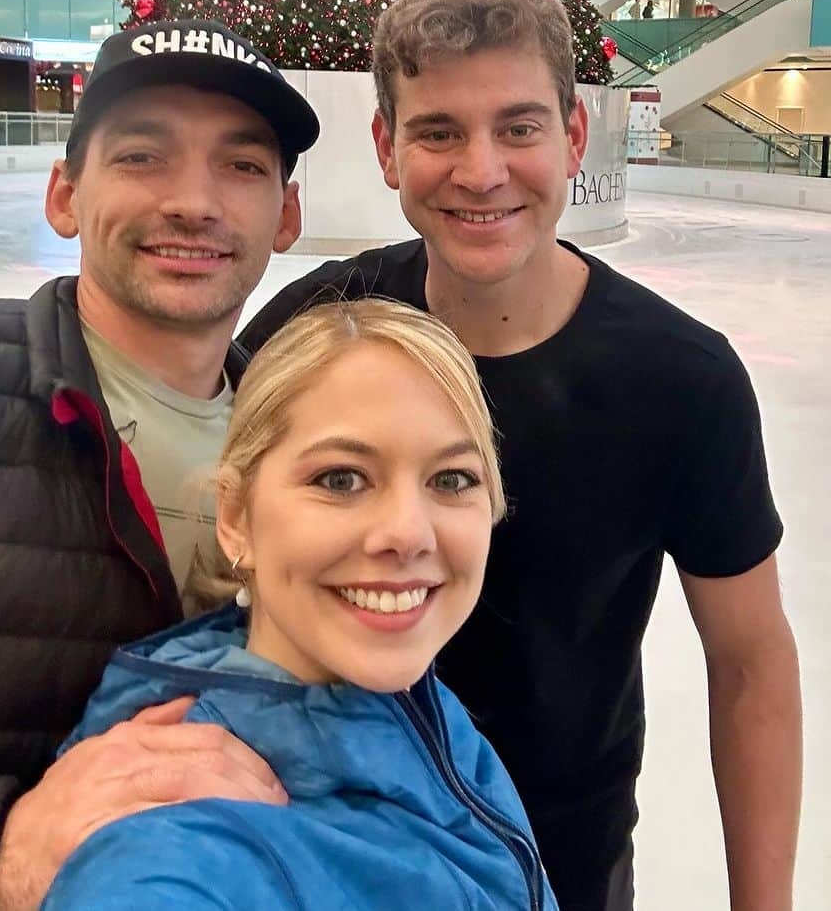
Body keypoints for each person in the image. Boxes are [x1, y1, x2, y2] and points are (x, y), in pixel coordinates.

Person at [241, 0, 803, 911]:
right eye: (438, 132)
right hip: (320, 851)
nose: (481, 169)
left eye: (519, 126)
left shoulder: (681, 381)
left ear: (574, 134)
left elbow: (748, 659)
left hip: (561, 866)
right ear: (385, 146)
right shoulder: (315, 330)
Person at [0, 19, 320, 911]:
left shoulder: (318, 444)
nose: (195, 201)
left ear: (287, 216)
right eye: (144, 156)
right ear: (65, 194)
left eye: (243, 165)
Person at [41, 299, 558, 910]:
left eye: (451, 479)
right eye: (340, 479)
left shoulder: (422, 715)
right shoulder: (172, 848)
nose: (408, 533)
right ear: (235, 519)